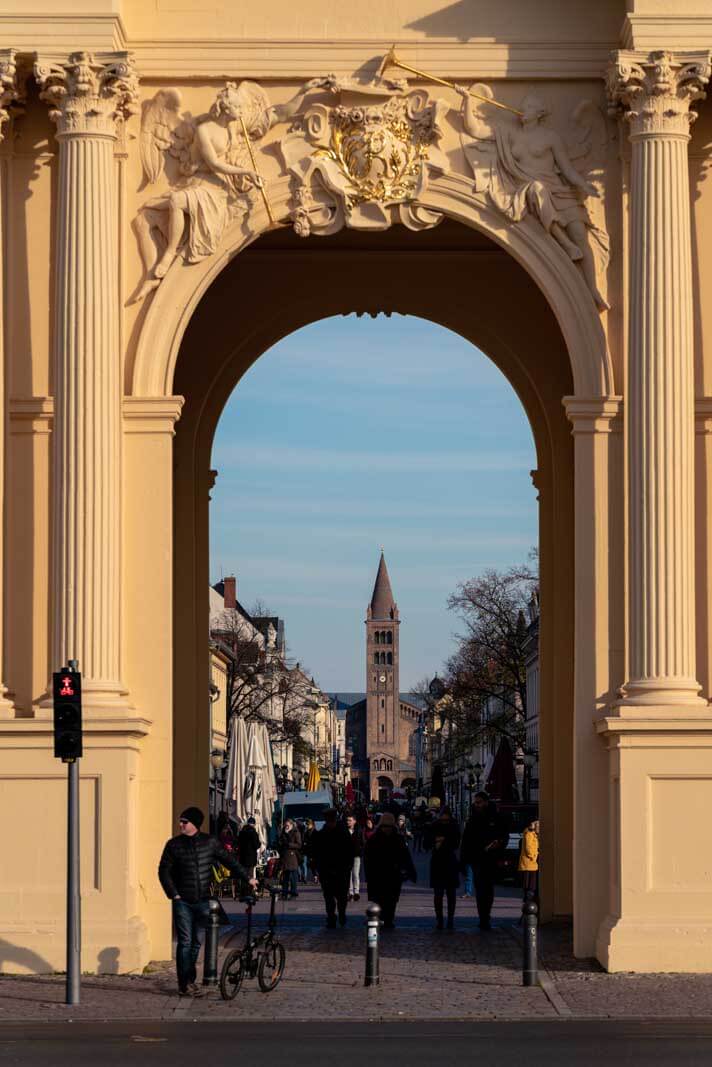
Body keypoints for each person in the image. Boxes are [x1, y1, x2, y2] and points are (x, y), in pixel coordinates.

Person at [158, 805, 256, 997]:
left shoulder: (210, 842)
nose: (180, 824)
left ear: (194, 824)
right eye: (181, 821)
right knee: (185, 942)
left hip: (202, 899)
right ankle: (184, 984)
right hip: (182, 901)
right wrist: (174, 894)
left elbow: (230, 861)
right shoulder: (173, 844)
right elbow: (163, 871)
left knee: (195, 943)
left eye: (184, 822)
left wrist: (247, 877)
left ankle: (189, 979)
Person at [460, 791, 510, 931]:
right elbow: (466, 840)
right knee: (480, 889)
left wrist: (499, 844)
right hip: (477, 859)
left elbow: (504, 835)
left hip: (491, 858)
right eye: (476, 803)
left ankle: (485, 916)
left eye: (479, 802)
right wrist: (464, 860)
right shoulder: (473, 819)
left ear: (486, 802)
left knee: (488, 889)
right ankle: (483, 917)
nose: (477, 805)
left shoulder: (496, 817)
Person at [364, 812, 416, 929]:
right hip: (383, 875)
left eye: (388, 827)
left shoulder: (390, 839)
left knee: (390, 899)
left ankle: (387, 919)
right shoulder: (378, 839)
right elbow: (368, 859)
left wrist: (409, 870)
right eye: (385, 827)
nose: (386, 829)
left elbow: (405, 856)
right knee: (384, 899)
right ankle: (385, 919)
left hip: (390, 875)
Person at [311, 809, 353, 928]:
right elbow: (315, 853)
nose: (329, 822)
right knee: (329, 897)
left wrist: (348, 866)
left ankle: (341, 915)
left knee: (341, 897)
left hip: (341, 871)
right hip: (328, 871)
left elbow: (350, 851)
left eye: (330, 820)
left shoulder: (341, 833)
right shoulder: (322, 833)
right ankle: (331, 918)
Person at [427, 807, 461, 930]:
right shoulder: (434, 825)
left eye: (446, 820)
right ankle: (440, 919)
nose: (444, 822)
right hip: (438, 863)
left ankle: (450, 920)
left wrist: (443, 840)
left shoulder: (454, 826)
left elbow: (455, 843)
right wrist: (436, 840)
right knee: (438, 894)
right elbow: (427, 842)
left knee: (451, 894)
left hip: (450, 862)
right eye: (443, 820)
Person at [278, 818, 302, 899]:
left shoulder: (296, 832)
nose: (286, 827)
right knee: (285, 878)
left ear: (291, 825)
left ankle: (293, 893)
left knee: (293, 878)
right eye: (285, 825)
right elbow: (280, 842)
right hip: (284, 857)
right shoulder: (283, 832)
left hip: (292, 857)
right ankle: (284, 893)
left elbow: (299, 845)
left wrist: (289, 844)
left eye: (287, 825)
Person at [345, 813, 365, 901]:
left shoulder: (359, 830)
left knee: (355, 874)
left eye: (350, 820)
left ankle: (356, 892)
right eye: (347, 820)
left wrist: (361, 849)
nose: (348, 822)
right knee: (348, 875)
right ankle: (350, 893)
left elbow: (363, 842)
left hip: (356, 855)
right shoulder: (344, 831)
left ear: (354, 821)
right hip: (347, 856)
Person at [518, 818, 539, 903]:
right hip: (529, 864)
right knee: (530, 887)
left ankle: (528, 902)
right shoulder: (529, 833)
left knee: (531, 887)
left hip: (531, 865)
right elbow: (528, 848)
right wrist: (534, 857)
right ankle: (528, 903)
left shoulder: (533, 834)